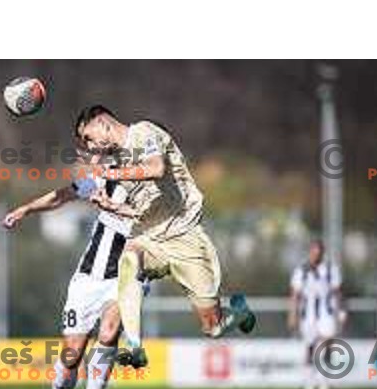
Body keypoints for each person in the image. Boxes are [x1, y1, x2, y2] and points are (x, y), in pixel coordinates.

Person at [75, 105, 256, 368]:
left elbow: (156, 168)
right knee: (129, 260)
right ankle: (135, 346)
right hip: (149, 237)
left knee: (213, 328)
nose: (89, 146)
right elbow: (144, 209)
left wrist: (111, 173)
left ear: (103, 123)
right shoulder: (119, 160)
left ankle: (239, 314)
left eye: (88, 137)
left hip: (184, 235)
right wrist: (114, 207)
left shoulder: (144, 132)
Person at [2, 175, 135, 389]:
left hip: (126, 277)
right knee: (72, 354)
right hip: (87, 280)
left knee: (110, 332)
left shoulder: (158, 192)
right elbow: (61, 195)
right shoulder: (102, 178)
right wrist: (25, 209)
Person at [288, 240, 346, 389]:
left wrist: (341, 312)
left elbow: (337, 292)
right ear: (310, 253)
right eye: (313, 252)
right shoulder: (301, 270)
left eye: (318, 252)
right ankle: (309, 382)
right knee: (310, 347)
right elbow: (295, 294)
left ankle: (323, 380)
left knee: (327, 344)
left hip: (326, 313)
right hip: (308, 315)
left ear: (322, 253)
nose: (315, 255)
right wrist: (292, 314)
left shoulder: (330, 269)